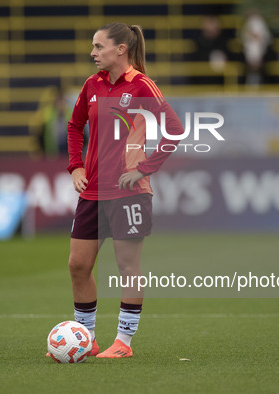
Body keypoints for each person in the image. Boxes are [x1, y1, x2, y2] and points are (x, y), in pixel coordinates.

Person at [51, 22, 183, 360]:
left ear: (120, 49)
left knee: (127, 266)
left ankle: (123, 342)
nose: (92, 53)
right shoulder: (91, 85)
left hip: (129, 192)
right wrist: (75, 166)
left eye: (98, 46)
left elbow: (174, 129)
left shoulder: (141, 85)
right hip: (92, 191)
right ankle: (87, 339)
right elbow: (73, 124)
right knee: (78, 265)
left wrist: (143, 168)